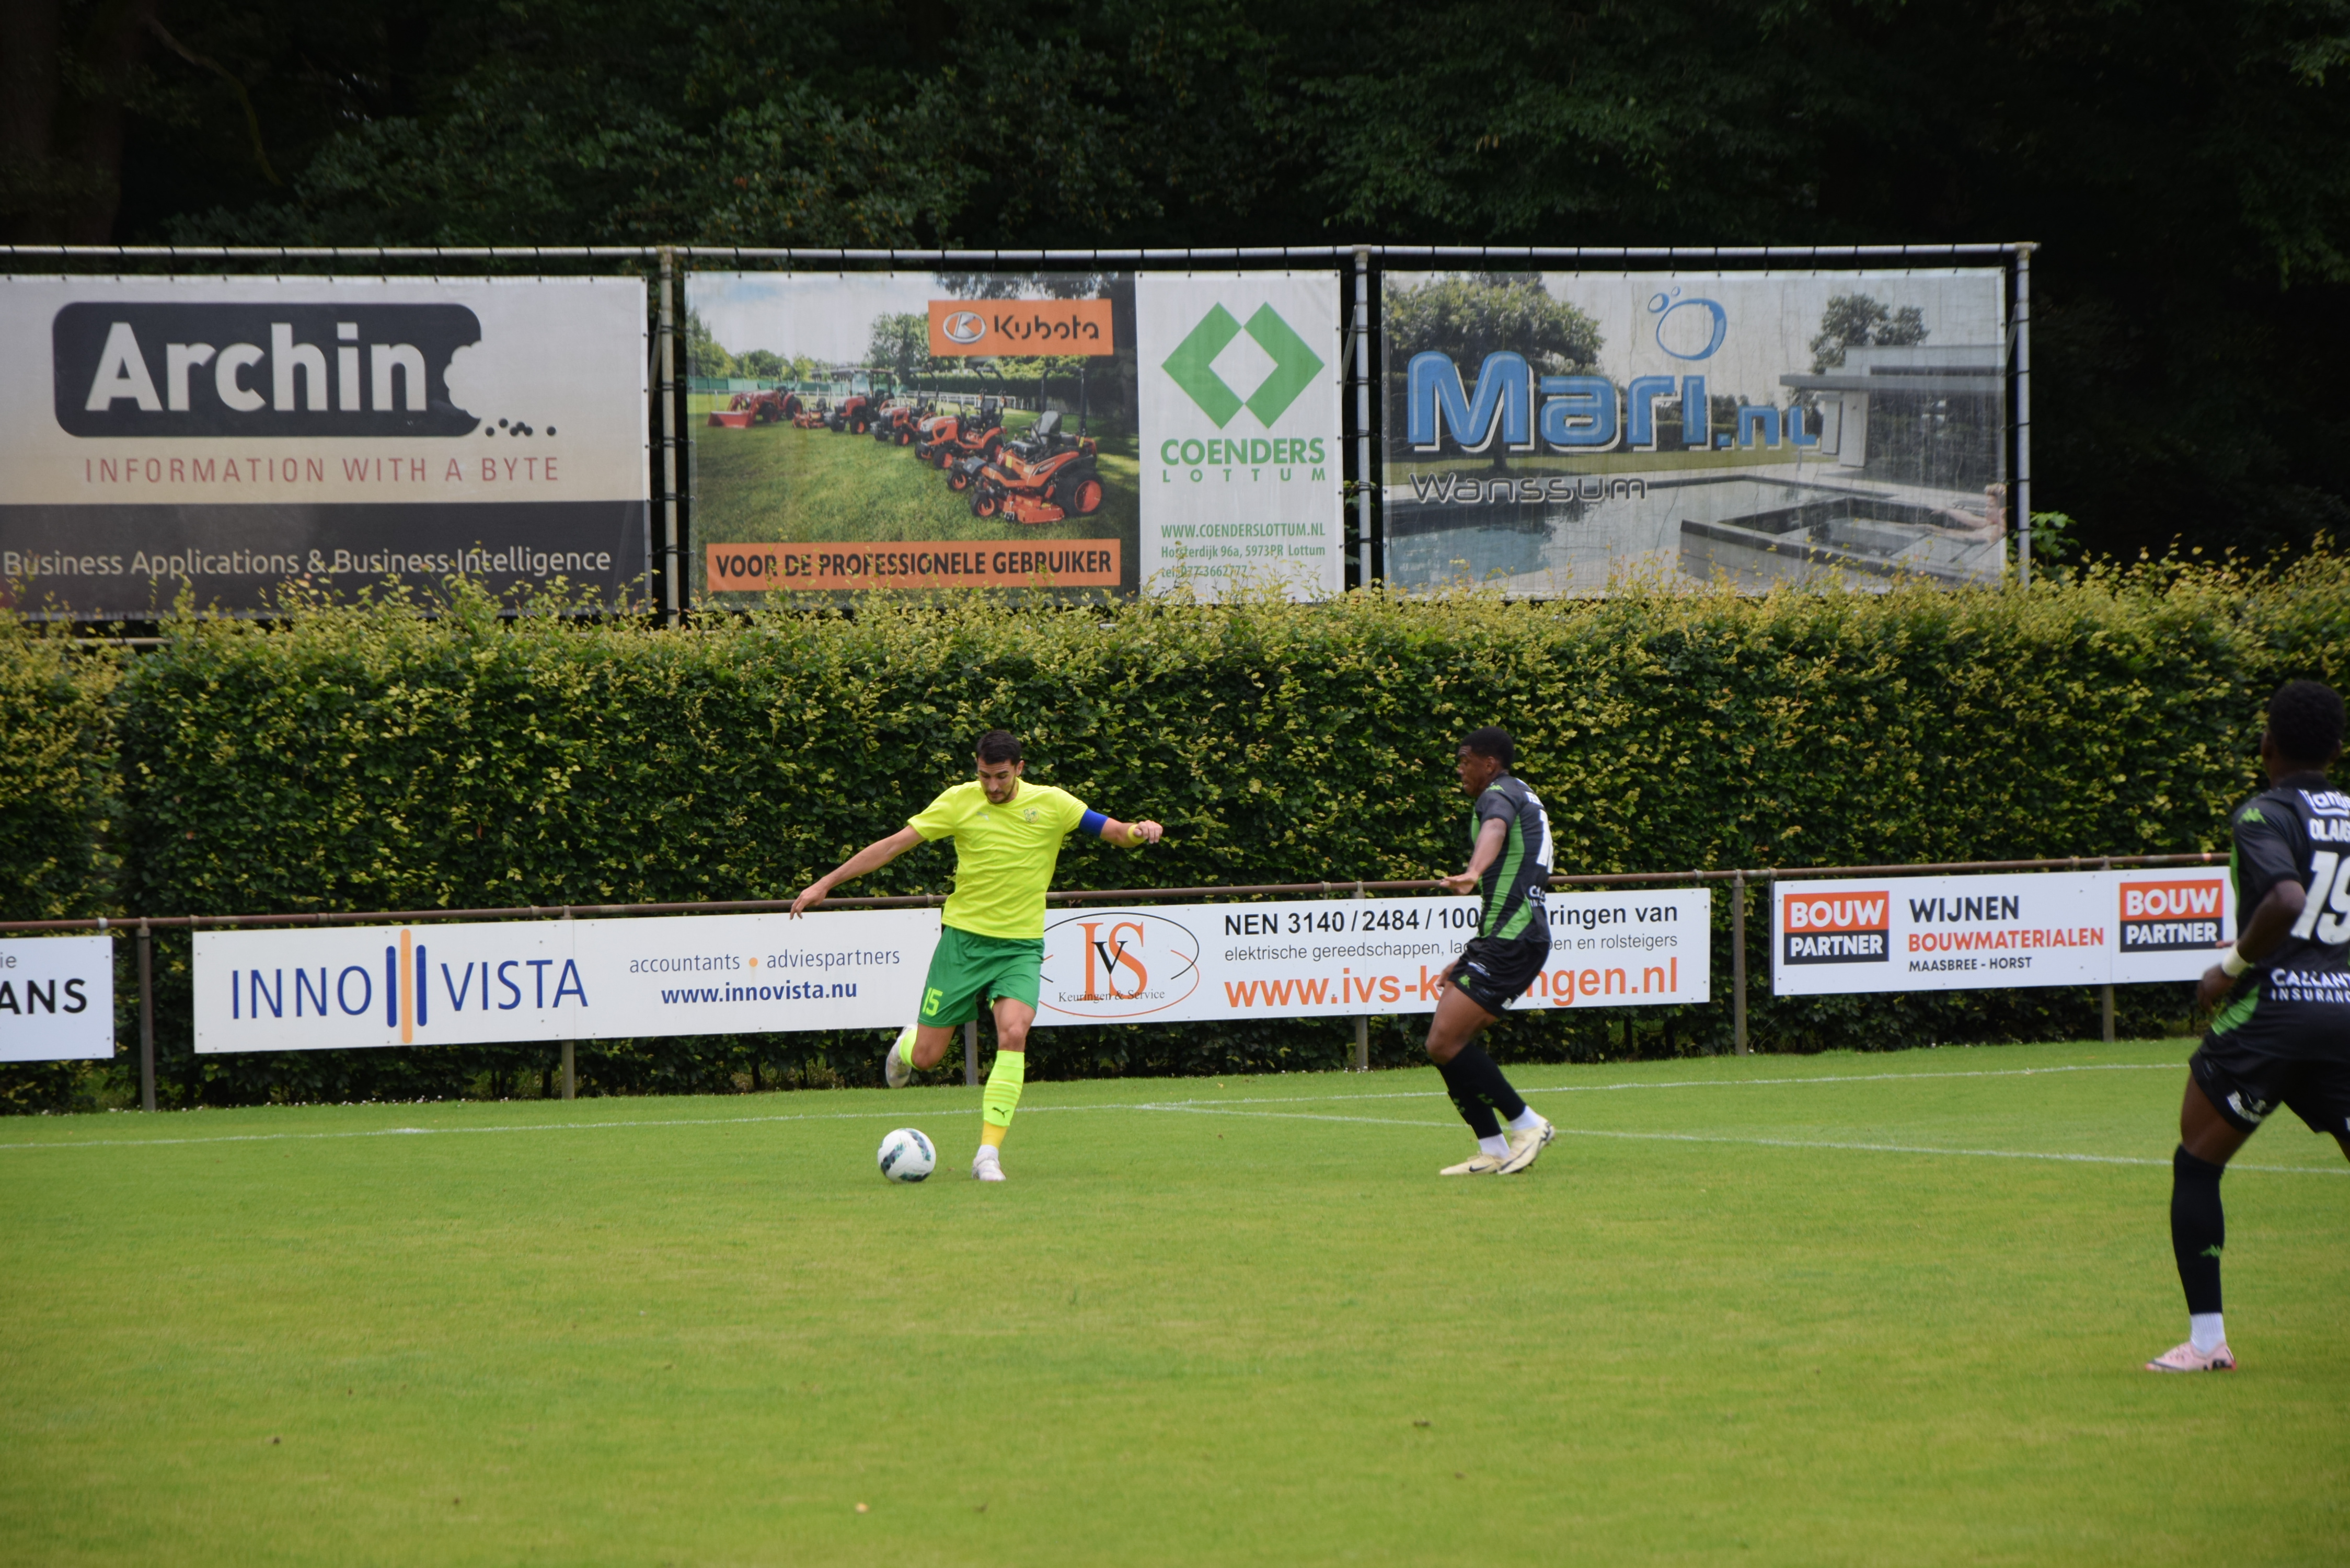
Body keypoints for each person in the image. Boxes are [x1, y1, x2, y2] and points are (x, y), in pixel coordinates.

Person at [790, 729, 1162, 1182]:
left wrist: (1140, 831)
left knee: (1014, 1032)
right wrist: (825, 884)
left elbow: (1116, 832)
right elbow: (892, 845)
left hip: (1020, 947)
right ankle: (907, 1046)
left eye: (1001, 776)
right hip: (963, 945)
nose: (992, 786)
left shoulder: (1053, 803)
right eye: (984, 776)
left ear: (1020, 769)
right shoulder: (959, 801)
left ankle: (988, 1155)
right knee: (928, 1057)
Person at [2149, 679, 2350, 1371]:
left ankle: (2207, 1344)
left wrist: (2227, 968)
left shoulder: (2263, 814)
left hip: (2270, 1018)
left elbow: (2287, 898)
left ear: (2266, 745)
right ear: (2335, 749)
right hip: (2344, 1015)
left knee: (2196, 1163)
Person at [1426, 727, 1558, 1176]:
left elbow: (1496, 827)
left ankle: (1528, 1124)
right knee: (1443, 1044)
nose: (1460, 769)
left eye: (1466, 760)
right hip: (1504, 936)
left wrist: (1472, 871)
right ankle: (1494, 1148)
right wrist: (1467, 956)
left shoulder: (1498, 794)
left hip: (1513, 938)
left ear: (1490, 763)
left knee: (1444, 1040)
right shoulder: (1522, 793)